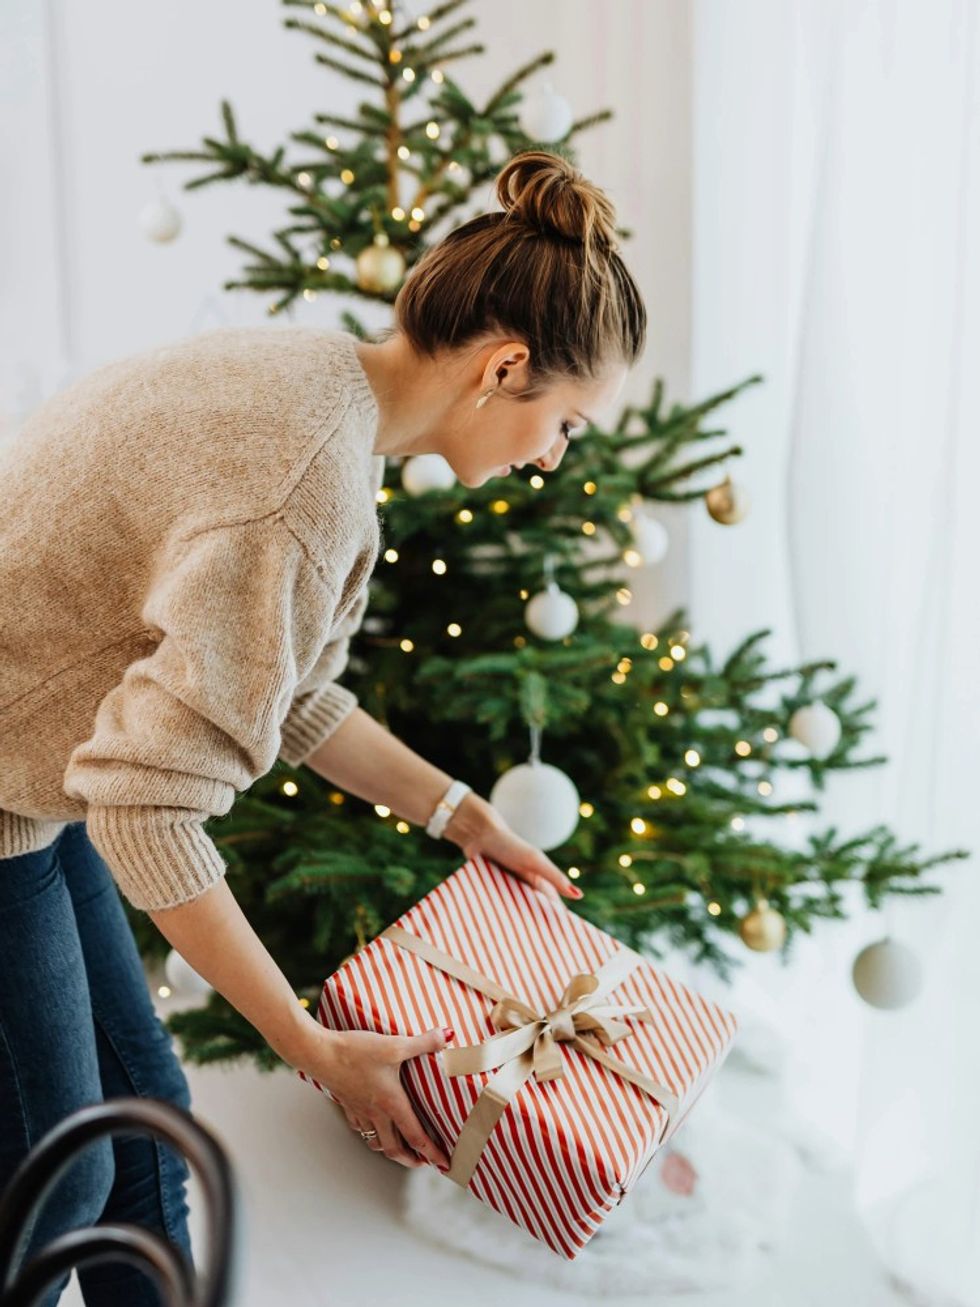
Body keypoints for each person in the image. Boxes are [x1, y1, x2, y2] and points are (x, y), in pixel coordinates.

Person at [0, 149, 644, 1303]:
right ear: (505, 368)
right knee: (58, 1180)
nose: (554, 457)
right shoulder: (305, 486)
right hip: (10, 797)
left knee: (146, 1122)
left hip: (35, 781)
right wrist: (313, 1047)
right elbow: (145, 809)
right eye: (565, 424)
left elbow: (284, 688)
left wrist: (459, 814)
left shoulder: (315, 381)